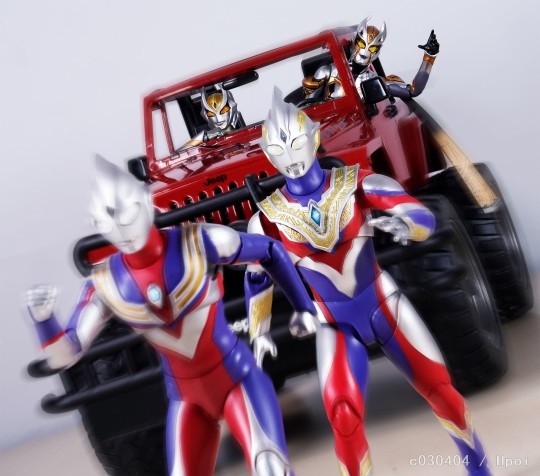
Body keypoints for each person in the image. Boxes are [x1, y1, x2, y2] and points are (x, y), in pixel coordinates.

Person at [245, 89, 491, 476]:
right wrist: (258, 331)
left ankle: (479, 467)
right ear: (267, 154)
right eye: (278, 149)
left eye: (294, 143)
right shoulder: (266, 219)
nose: (289, 156)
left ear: (313, 138)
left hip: (383, 303)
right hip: (334, 323)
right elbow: (257, 276)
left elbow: (419, 214)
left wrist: (407, 225)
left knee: (443, 393)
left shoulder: (356, 182)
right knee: (343, 417)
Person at [26, 155, 317, 476]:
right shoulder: (104, 284)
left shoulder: (199, 242)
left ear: (145, 204)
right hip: (187, 400)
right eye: (107, 218)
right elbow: (69, 352)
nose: (121, 226)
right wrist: (44, 321)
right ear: (96, 223)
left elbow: (269, 250)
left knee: (270, 467)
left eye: (126, 212)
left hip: (238, 380)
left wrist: (303, 306)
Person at [302, 17, 439, 101]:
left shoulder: (374, 82)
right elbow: (307, 107)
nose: (365, 52)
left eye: (372, 49)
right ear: (355, 43)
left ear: (377, 52)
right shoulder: (328, 71)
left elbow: (412, 91)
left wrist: (429, 57)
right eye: (362, 44)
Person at [181, 84, 241, 149]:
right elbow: (183, 152)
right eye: (211, 114)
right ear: (206, 115)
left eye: (223, 110)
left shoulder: (244, 133)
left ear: (231, 108)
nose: (218, 118)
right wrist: (206, 136)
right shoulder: (207, 144)